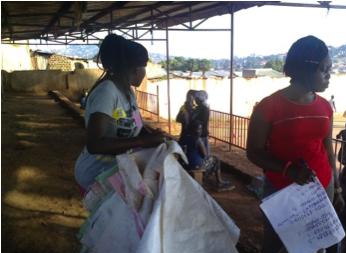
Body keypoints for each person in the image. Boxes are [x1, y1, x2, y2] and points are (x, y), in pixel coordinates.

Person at [246, 36, 345, 253]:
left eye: (330, 69)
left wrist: (337, 186)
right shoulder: (270, 107)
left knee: (316, 250)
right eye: (324, 69)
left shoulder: (325, 107)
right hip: (282, 189)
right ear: (305, 68)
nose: (329, 75)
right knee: (275, 249)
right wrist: (289, 170)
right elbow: (254, 152)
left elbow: (327, 149)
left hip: (321, 186)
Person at [74, 34, 166, 196]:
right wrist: (142, 141)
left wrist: (154, 137)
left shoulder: (127, 91)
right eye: (145, 67)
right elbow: (95, 144)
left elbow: (137, 125)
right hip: (96, 176)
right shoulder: (107, 92)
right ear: (135, 69)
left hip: (115, 172)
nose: (145, 72)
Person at [178, 120, 233, 190]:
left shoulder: (183, 137)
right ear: (192, 129)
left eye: (201, 129)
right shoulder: (197, 139)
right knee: (215, 159)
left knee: (203, 160)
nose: (201, 131)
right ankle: (219, 181)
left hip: (183, 164)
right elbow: (204, 155)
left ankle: (201, 179)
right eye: (199, 129)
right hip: (193, 165)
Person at [191, 90, 211, 157]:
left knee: (203, 153)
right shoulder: (199, 108)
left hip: (201, 134)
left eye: (196, 98)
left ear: (200, 99)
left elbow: (201, 122)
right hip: (199, 133)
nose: (195, 100)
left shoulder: (204, 109)